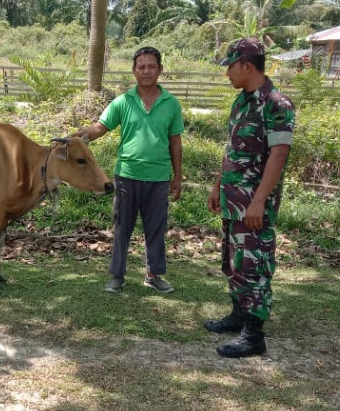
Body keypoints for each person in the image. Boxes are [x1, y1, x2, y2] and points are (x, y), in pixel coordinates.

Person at [206, 37, 295, 358]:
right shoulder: (241, 102)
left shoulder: (276, 103)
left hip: (254, 203)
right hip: (233, 199)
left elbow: (279, 154)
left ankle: (253, 335)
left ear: (247, 65)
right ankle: (238, 314)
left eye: (230, 66)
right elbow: (231, 148)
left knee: (254, 263)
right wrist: (217, 185)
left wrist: (258, 201)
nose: (227, 73)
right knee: (233, 261)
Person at [74, 46, 184, 294]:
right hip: (127, 176)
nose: (146, 71)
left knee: (155, 228)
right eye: (141, 66)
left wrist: (177, 177)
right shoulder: (123, 102)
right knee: (122, 227)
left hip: (158, 178)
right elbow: (101, 127)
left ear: (160, 70)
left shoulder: (171, 104)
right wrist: (80, 136)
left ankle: (154, 275)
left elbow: (175, 142)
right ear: (134, 71)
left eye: (151, 66)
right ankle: (117, 276)